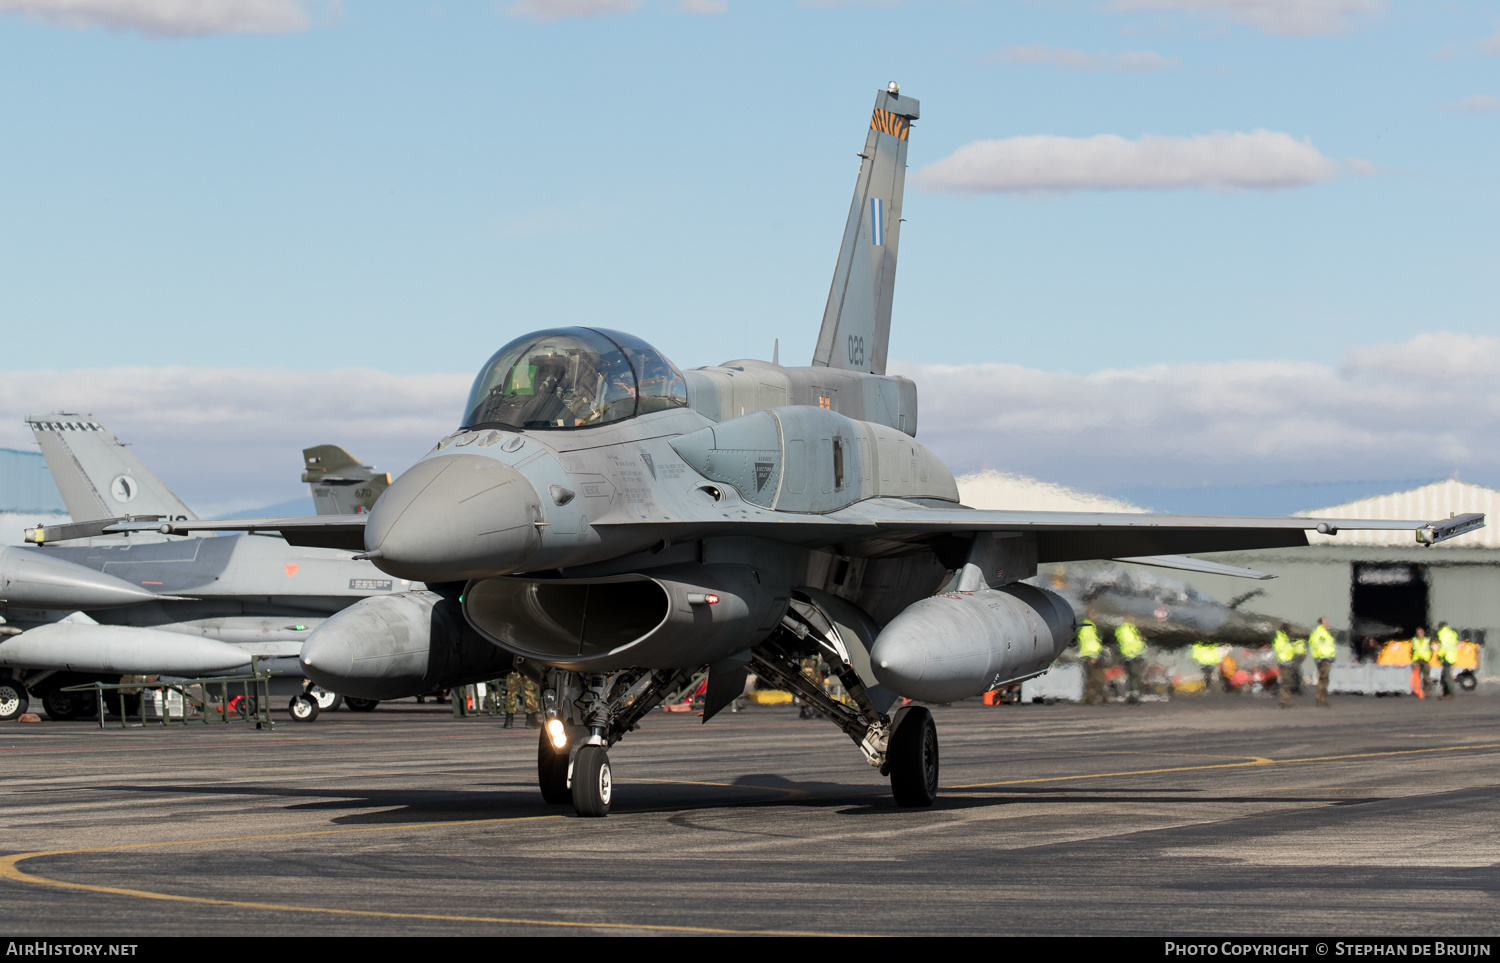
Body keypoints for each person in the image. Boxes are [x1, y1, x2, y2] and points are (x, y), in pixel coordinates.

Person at [1114, 618, 1146, 704]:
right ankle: (1133, 696)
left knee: (1131, 677)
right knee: (1135, 676)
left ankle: (1131, 695)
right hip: (1132, 655)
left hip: (1129, 655)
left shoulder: (1124, 629)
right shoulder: (1128, 629)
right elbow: (1132, 643)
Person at [1077, 615, 1106, 705]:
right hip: (1091, 656)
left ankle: (1090, 698)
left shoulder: (1092, 627)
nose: (1096, 616)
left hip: (1094, 656)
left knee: (1094, 679)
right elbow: (1088, 643)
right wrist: (1092, 657)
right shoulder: (1087, 628)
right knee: (1093, 680)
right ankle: (1089, 699)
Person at [1308, 616, 1337, 707]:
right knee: (1323, 681)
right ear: (1321, 623)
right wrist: (1323, 658)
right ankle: (1320, 701)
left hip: (1326, 658)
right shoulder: (1319, 632)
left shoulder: (1324, 632)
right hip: (1323, 659)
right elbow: (1317, 646)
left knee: (1324, 680)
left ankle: (1322, 700)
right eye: (1326, 622)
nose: (1328, 623)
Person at [1273, 624, 1297, 708]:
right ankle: (1284, 701)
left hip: (1287, 662)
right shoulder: (1281, 639)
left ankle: (1286, 700)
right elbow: (1281, 650)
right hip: (1285, 662)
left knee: (1287, 683)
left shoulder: (1284, 638)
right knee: (1285, 683)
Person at [1436, 622, 1461, 699]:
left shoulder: (1443, 633)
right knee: (1445, 675)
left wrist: (1440, 655)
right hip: (1452, 656)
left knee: (1447, 675)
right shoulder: (1452, 632)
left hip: (1446, 656)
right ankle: (1446, 692)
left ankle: (1450, 692)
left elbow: (1444, 646)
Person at [1410, 627, 1431, 700]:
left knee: (1426, 678)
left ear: (1423, 633)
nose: (1420, 634)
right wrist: (1412, 661)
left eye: (1421, 632)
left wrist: (1429, 658)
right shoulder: (1414, 640)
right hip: (1417, 661)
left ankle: (1427, 692)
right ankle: (1417, 692)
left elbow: (1431, 650)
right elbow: (1411, 651)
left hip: (1425, 660)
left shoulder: (1427, 640)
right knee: (1417, 678)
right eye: (1419, 633)